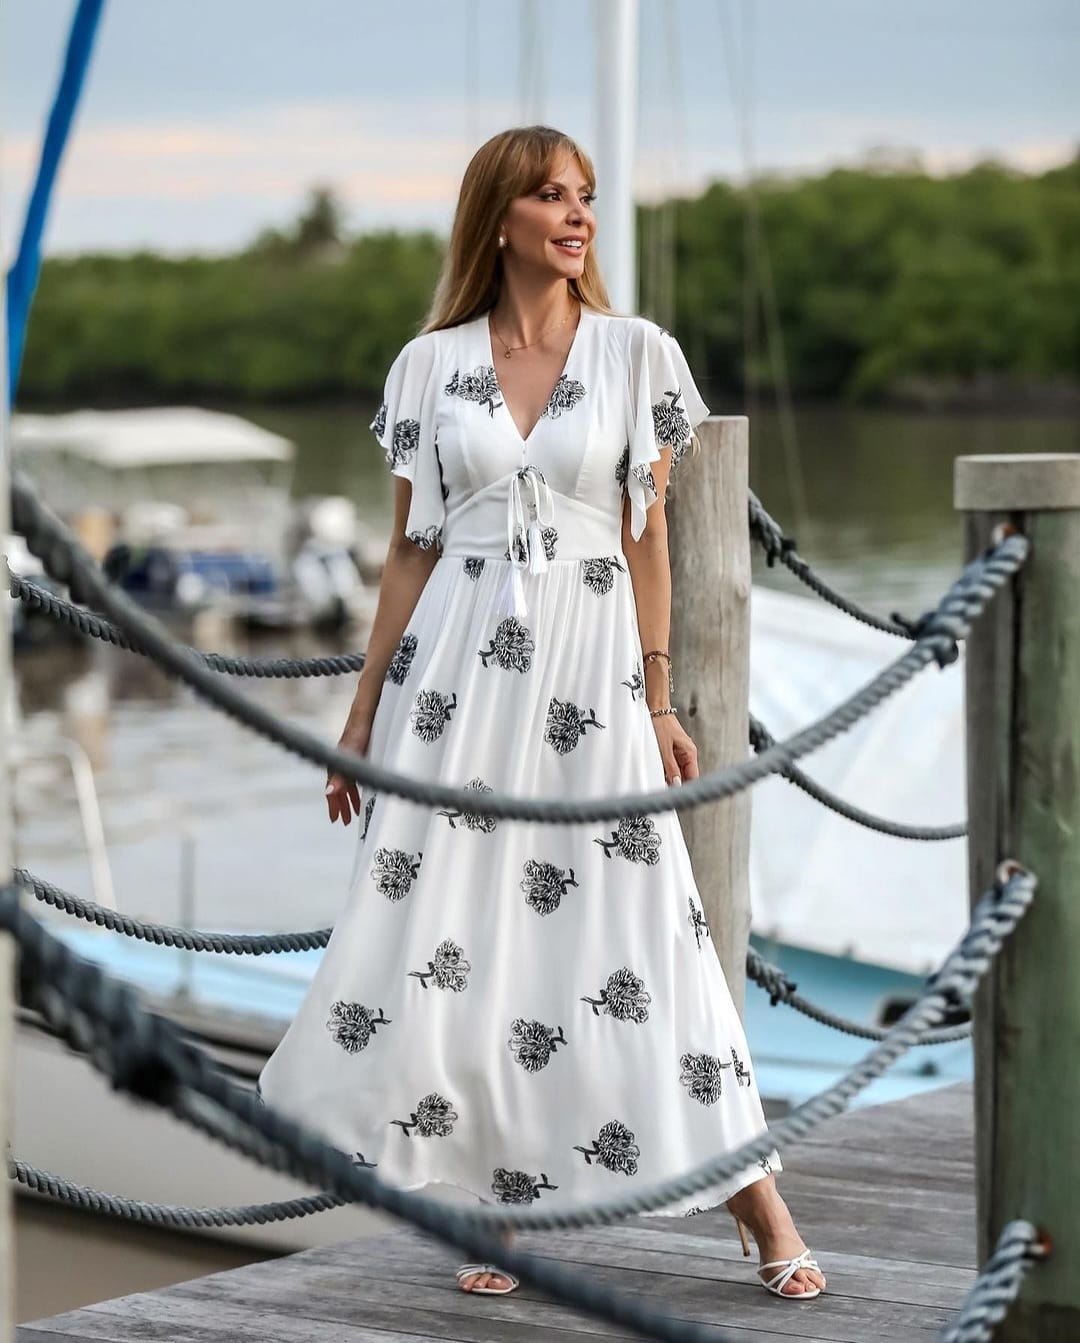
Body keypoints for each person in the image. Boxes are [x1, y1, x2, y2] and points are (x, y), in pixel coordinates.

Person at [257, 125, 826, 1304]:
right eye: (552, 196)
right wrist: (360, 715)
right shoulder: (428, 366)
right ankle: (495, 1203)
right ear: (498, 216)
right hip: (455, 684)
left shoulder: (636, 355)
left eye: (588, 197)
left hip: (588, 676)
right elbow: (410, 554)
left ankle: (757, 1199)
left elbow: (648, 536)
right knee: (456, 939)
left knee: (644, 930)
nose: (577, 216)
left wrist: (660, 694)